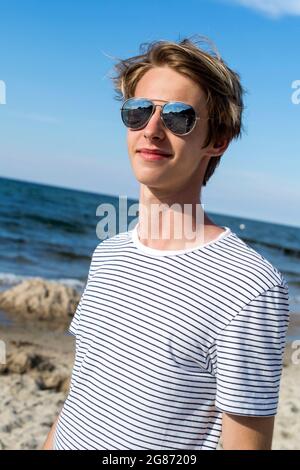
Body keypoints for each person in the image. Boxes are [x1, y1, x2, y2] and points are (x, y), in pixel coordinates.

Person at [42, 36, 290, 450]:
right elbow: (80, 402)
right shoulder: (109, 255)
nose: (152, 130)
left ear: (218, 140)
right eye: (138, 112)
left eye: (179, 117)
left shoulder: (251, 288)